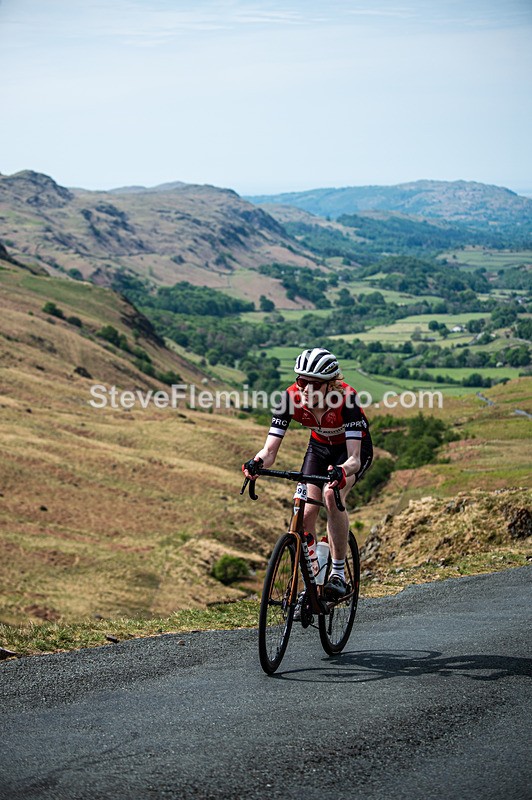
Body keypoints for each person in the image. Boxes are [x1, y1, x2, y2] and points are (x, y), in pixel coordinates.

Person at [242, 347, 373, 600]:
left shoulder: (347, 399)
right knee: (304, 512)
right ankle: (312, 581)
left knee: (331, 496)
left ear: (329, 385)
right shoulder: (289, 399)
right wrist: (256, 461)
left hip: (349, 452)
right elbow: (270, 449)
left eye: (312, 383)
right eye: (301, 381)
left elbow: (355, 459)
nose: (305, 388)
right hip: (320, 448)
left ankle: (337, 575)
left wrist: (341, 471)